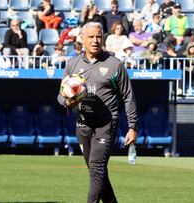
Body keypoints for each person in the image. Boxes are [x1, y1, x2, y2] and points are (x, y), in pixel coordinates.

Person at [57, 22, 139, 203]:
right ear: (82, 39)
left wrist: (132, 127)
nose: (95, 41)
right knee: (98, 171)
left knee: (96, 168)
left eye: (98, 37)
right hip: (83, 124)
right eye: (91, 37)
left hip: (106, 124)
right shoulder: (73, 64)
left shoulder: (114, 65)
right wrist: (68, 101)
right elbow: (60, 96)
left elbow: (128, 97)